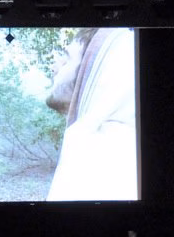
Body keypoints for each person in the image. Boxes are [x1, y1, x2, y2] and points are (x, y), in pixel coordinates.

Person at [45, 27, 137, 201]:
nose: (54, 67)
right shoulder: (125, 139)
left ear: (94, 72)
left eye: (67, 60)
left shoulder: (101, 146)